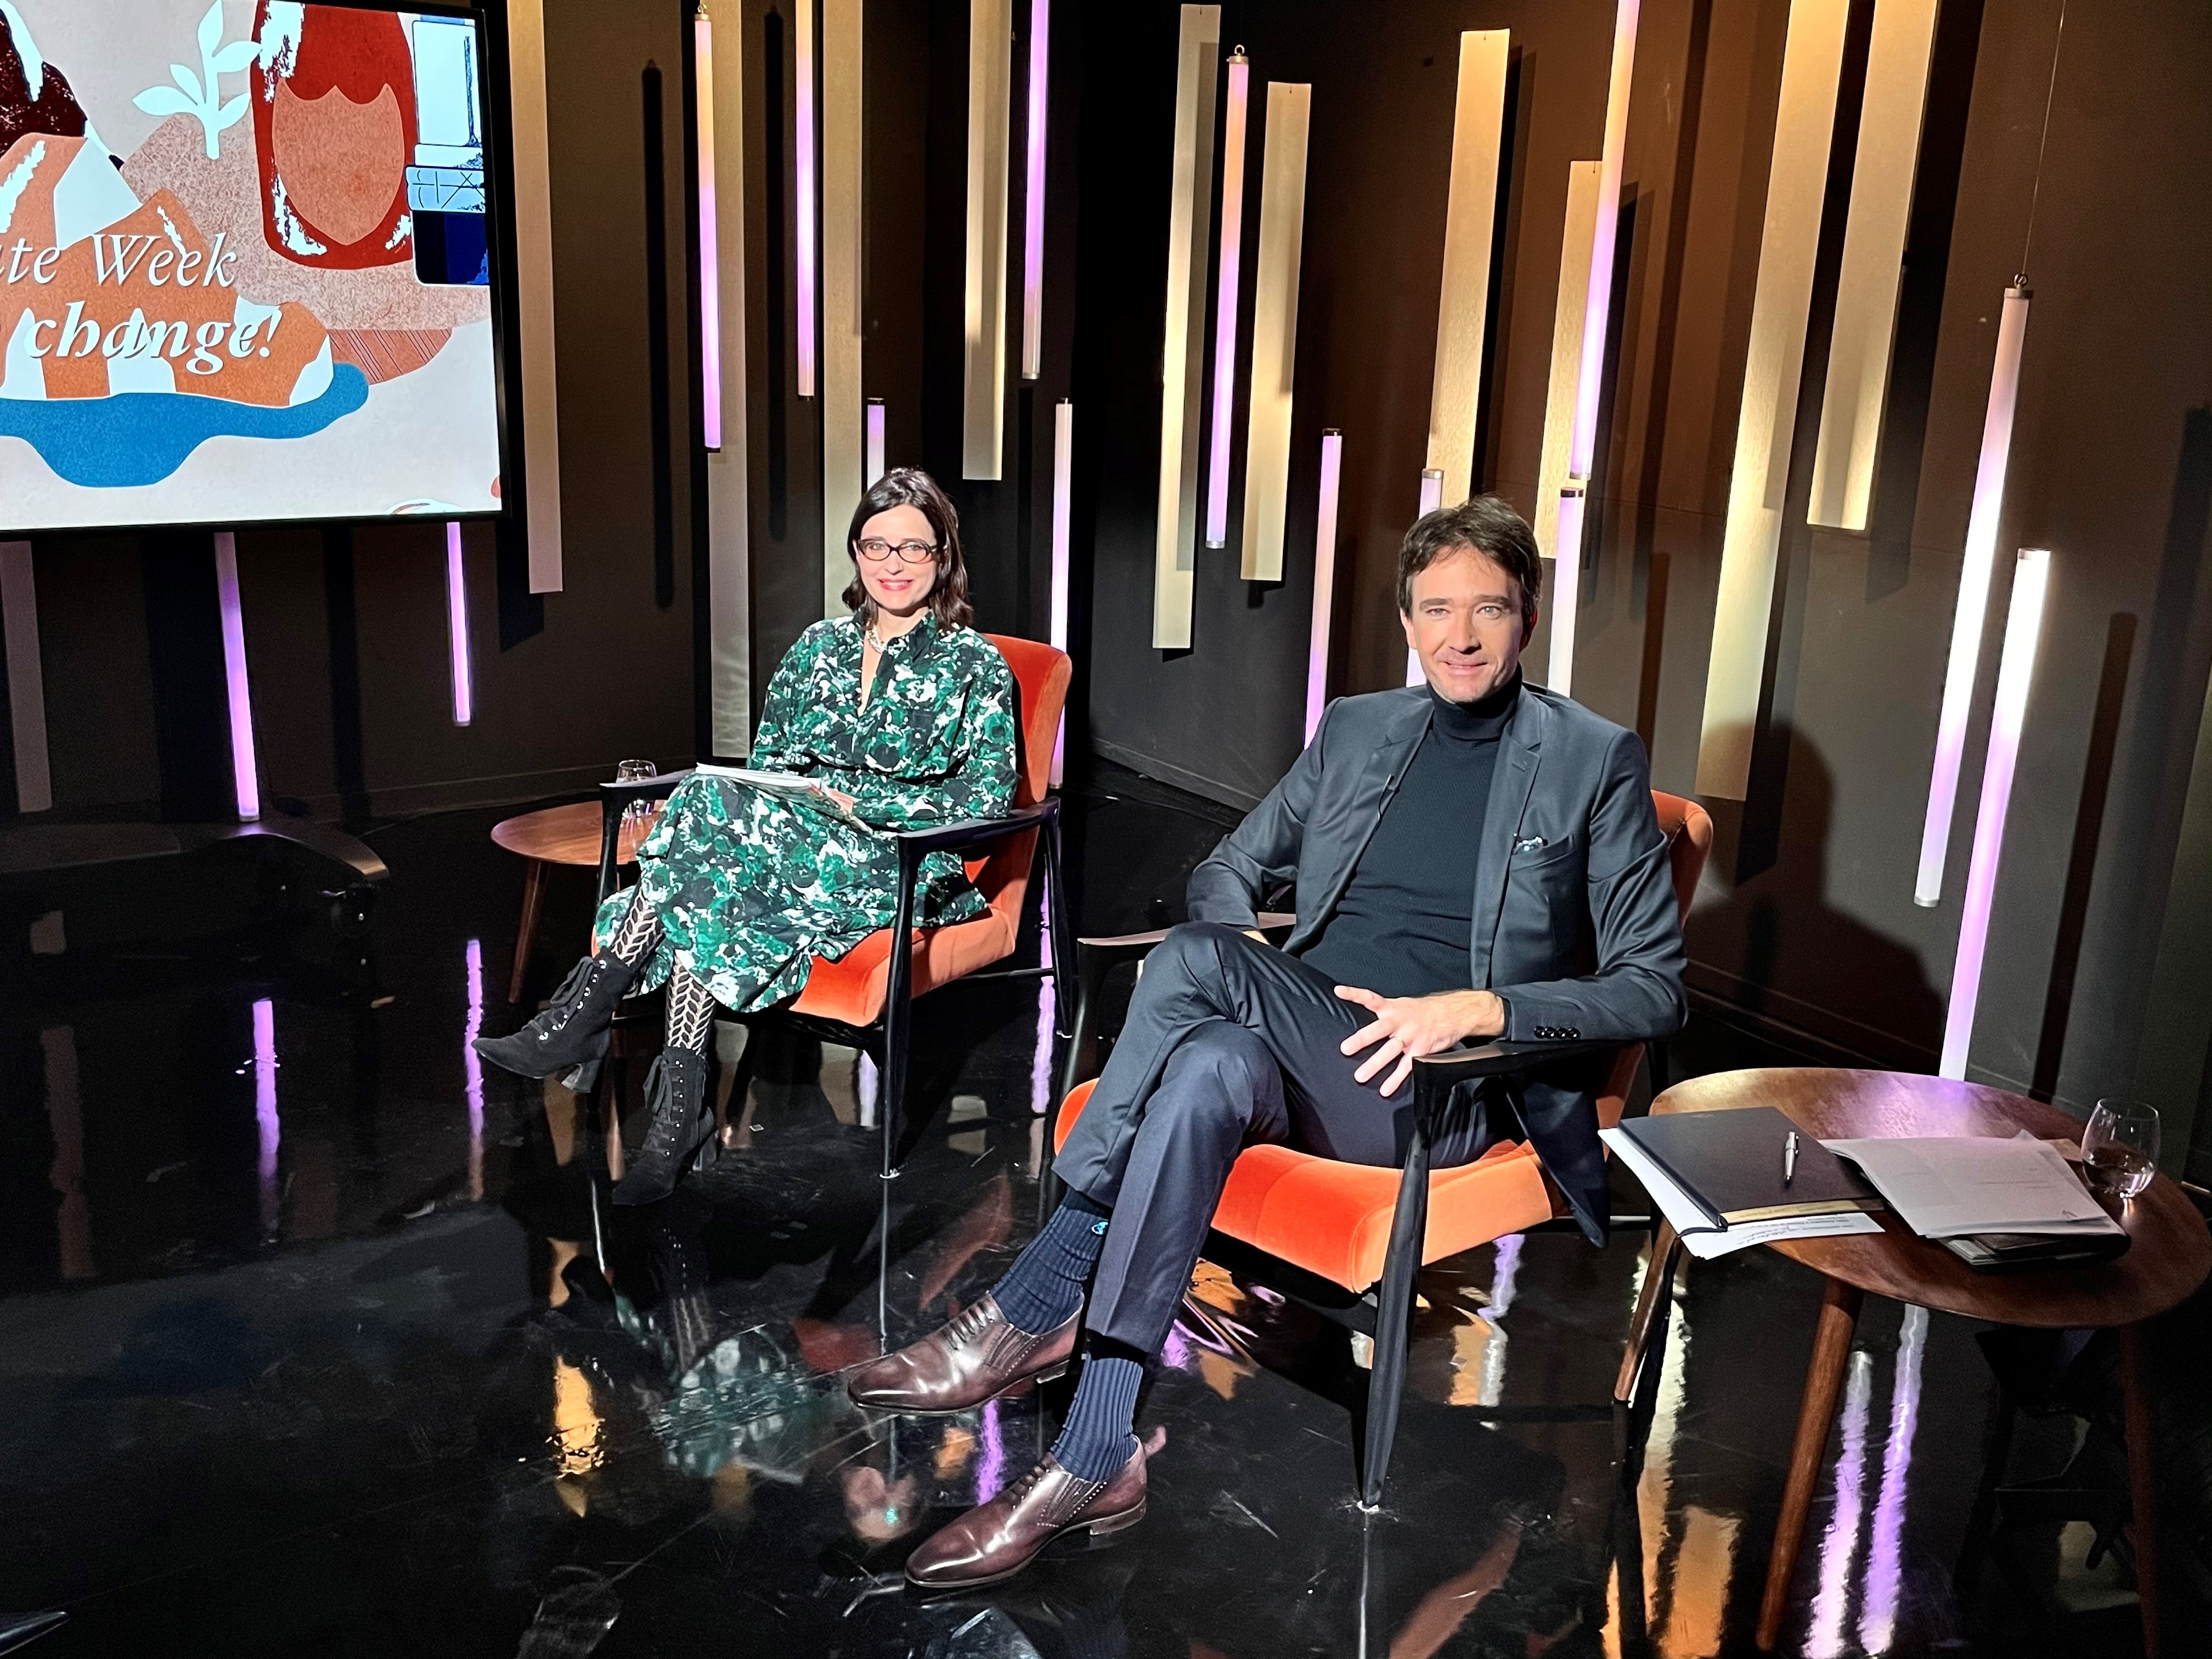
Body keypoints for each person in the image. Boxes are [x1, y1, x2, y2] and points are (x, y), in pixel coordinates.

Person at [849, 495, 1686, 1589]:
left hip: (1429, 1085)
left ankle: (1034, 1301)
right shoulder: (1359, 730)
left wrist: (1477, 1011)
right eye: (1438, 610)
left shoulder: (1590, 758)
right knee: (1205, 1061)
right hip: (1303, 1045)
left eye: (1489, 608)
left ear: (1527, 617)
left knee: (1199, 967)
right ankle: (1095, 1459)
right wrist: (1247, 967)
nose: (1463, 636)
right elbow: (1230, 869)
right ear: (1406, 621)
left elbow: (1653, 987)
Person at [475, 469, 1019, 1204]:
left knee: (704, 852)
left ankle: (591, 1021)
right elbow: (768, 768)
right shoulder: (816, 647)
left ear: (942, 556)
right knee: (712, 861)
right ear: (855, 552)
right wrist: (804, 800)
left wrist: (858, 800)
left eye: (913, 548)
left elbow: (983, 798)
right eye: (876, 546)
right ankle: (674, 1118)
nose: (892, 564)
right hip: (793, 843)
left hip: (897, 862)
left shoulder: (975, 664)